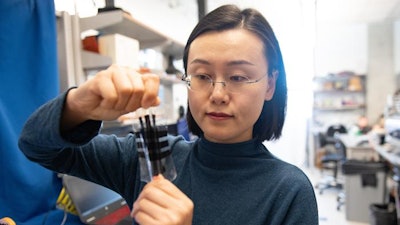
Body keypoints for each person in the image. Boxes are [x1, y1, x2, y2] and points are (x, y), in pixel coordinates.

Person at [19, 4, 318, 225]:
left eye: (238, 77)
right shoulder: (150, 159)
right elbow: (35, 145)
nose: (217, 94)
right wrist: (79, 104)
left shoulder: (288, 191)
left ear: (270, 84)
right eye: (201, 76)